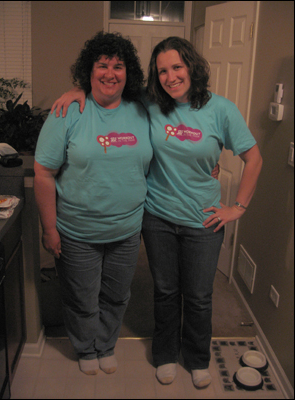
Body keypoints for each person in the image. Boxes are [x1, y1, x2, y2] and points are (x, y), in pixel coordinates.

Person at [50, 36, 262, 389]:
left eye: (177, 67)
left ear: (192, 66)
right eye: (162, 70)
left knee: (198, 295)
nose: (170, 76)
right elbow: (108, 87)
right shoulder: (148, 103)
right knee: (165, 291)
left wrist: (236, 207)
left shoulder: (221, 109)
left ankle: (196, 358)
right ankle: (165, 354)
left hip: (203, 219)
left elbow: (253, 158)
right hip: (158, 215)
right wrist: (78, 91)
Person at [34, 31, 153, 376]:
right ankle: (86, 349)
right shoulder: (68, 111)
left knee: (117, 296)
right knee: (82, 298)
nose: (110, 73)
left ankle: (106, 345)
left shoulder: (143, 109)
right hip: (77, 232)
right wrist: (49, 228)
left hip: (128, 230)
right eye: (102, 65)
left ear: (128, 72)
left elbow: (179, 116)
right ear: (89, 70)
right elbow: (43, 173)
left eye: (118, 66)